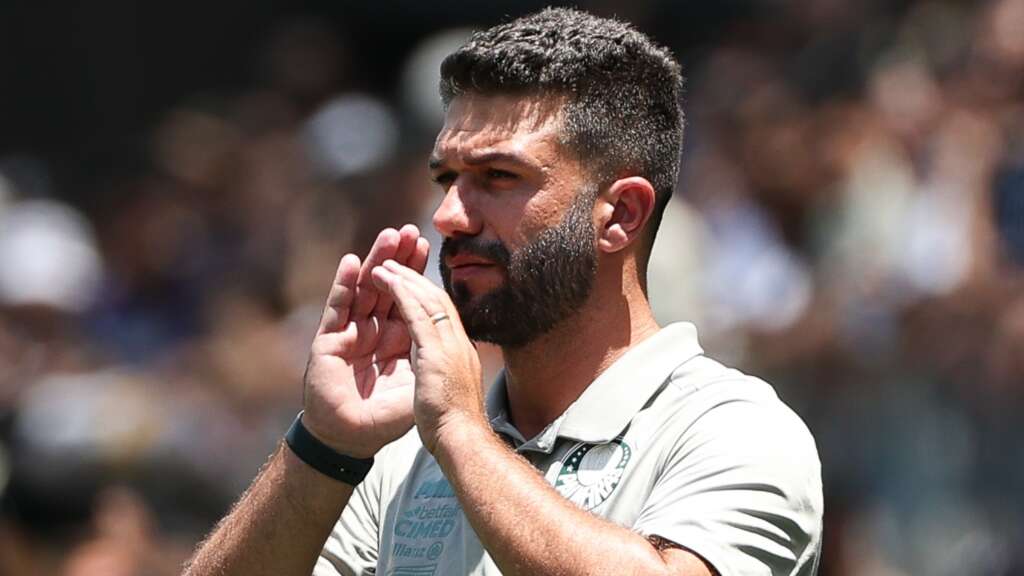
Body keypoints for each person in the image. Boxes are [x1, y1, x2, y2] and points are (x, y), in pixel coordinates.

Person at [184, 8, 823, 576]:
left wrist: (462, 434)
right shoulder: (404, 456)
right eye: (446, 178)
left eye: (498, 177)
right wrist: (326, 444)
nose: (448, 217)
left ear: (621, 214)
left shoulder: (733, 429)